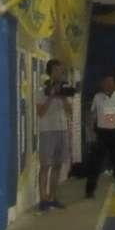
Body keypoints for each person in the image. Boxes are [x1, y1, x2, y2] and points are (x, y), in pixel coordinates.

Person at [35, 59, 75, 211]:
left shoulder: (64, 89)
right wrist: (51, 96)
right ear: (50, 72)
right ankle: (43, 199)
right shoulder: (42, 90)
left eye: (61, 71)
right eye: (57, 70)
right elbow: (40, 112)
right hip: (47, 131)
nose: (60, 73)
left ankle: (52, 197)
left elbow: (70, 111)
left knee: (58, 165)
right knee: (45, 165)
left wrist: (62, 97)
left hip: (62, 129)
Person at [86, 75, 115, 198]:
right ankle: (89, 191)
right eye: (107, 82)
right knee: (96, 163)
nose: (109, 84)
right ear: (103, 84)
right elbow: (92, 115)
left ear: (114, 84)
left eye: (111, 82)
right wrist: (91, 131)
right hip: (102, 133)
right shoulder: (97, 97)